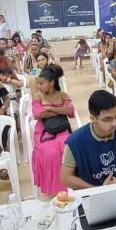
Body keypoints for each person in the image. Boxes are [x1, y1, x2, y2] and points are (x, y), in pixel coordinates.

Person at [61, 90, 116, 189]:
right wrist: (98, 190)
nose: (114, 123)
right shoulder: (75, 142)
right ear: (93, 118)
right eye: (107, 119)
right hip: (92, 195)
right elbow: (65, 177)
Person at [31, 65, 74, 196]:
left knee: (67, 146)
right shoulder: (38, 96)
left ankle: (70, 184)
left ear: (51, 83)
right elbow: (37, 114)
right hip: (43, 131)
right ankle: (55, 188)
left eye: (41, 84)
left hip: (61, 128)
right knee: (50, 152)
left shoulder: (63, 95)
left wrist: (51, 108)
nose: (38, 87)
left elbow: (71, 112)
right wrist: (61, 111)